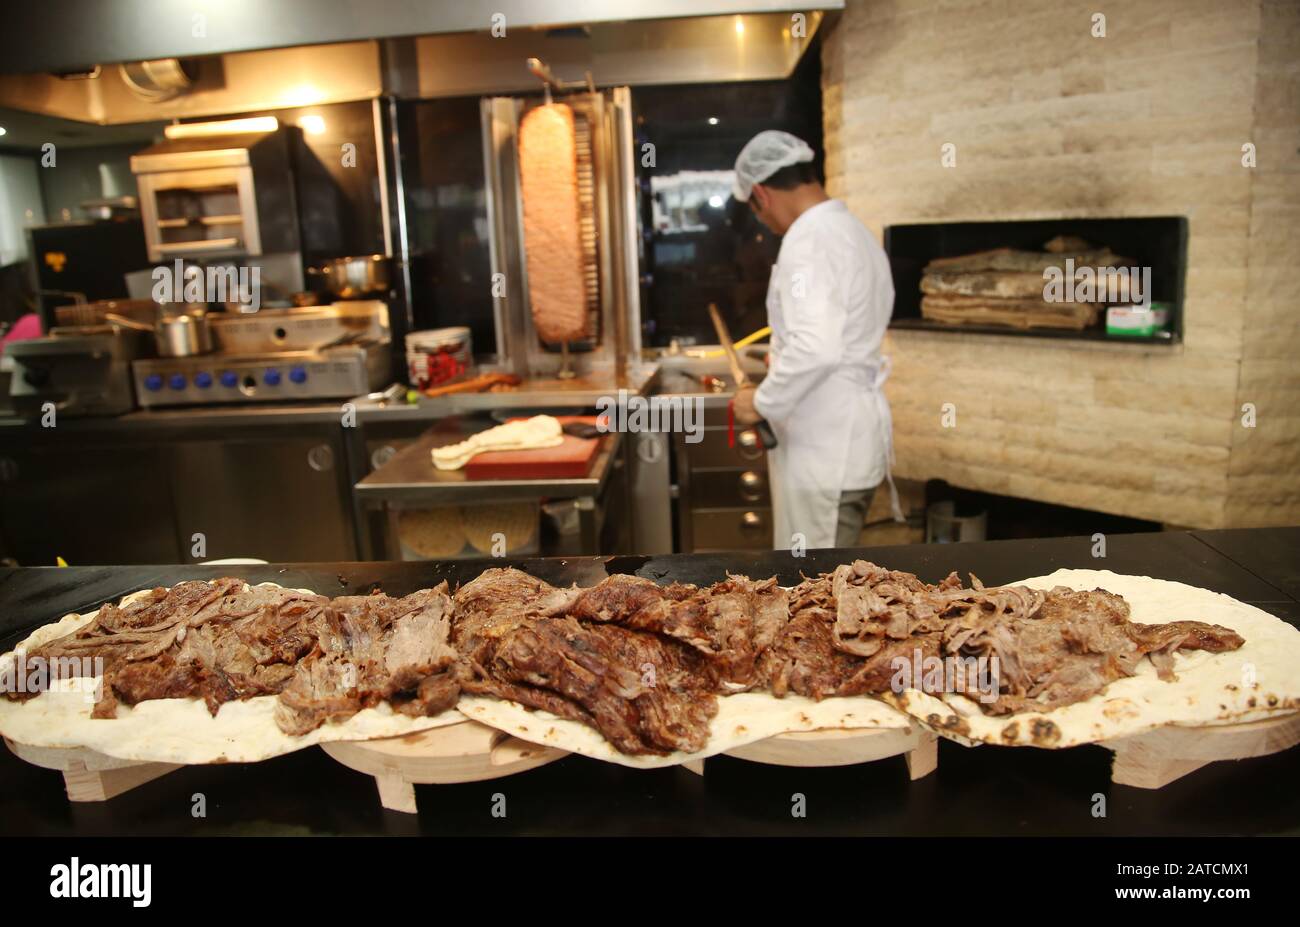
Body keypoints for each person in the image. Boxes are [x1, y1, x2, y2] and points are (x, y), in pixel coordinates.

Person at [729, 130, 902, 550]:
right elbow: (831, 338)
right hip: (849, 440)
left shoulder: (808, 240)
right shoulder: (853, 231)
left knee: (814, 593)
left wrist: (762, 401)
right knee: (824, 587)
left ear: (760, 193)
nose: (762, 222)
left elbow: (817, 347)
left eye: (754, 210)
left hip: (825, 453)